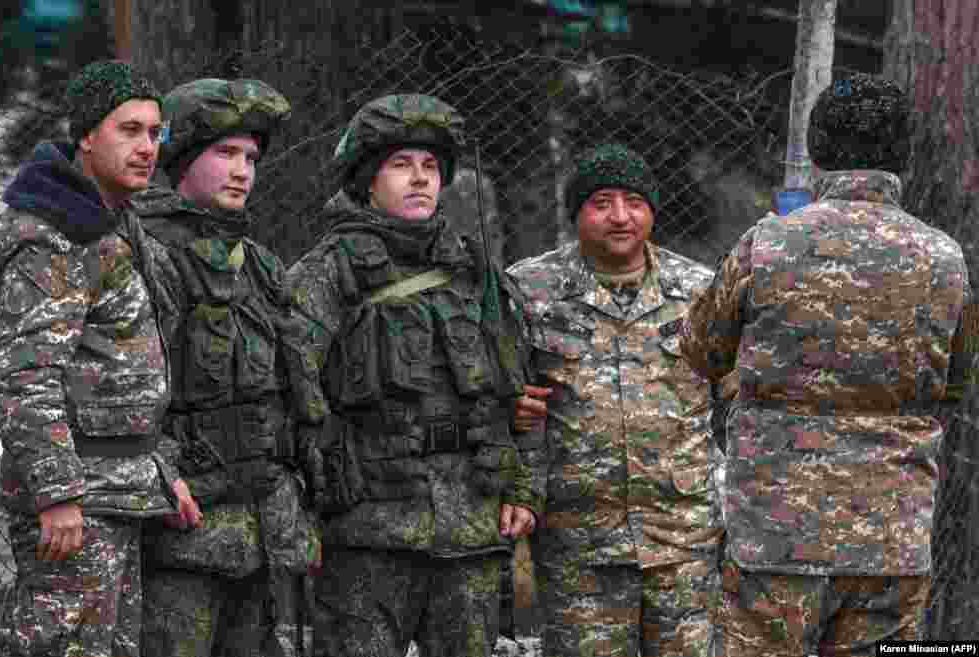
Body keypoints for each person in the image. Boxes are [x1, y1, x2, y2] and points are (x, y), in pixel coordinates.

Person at [680, 73, 979, 656]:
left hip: (774, 537)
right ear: (903, 154)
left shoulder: (767, 243)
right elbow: (957, 380)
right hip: (891, 538)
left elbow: (699, 348)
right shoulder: (947, 259)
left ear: (815, 148)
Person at [286, 93, 546, 657]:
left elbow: (523, 390)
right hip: (368, 536)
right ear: (367, 180)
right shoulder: (327, 273)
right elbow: (288, 394)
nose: (420, 179)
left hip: (471, 531)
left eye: (430, 167)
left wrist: (524, 486)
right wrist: (302, 510)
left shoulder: (475, 272)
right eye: (401, 165)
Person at [0, 59, 202, 657]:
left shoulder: (111, 226)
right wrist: (57, 495)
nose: (148, 147)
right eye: (129, 130)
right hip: (79, 506)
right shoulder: (51, 238)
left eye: (156, 133)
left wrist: (159, 470)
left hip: (116, 492)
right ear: (86, 135)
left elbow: (117, 366)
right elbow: (25, 379)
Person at [508, 142, 724, 657]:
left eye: (634, 202)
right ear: (578, 213)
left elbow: (736, 399)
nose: (620, 217)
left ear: (652, 210)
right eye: (602, 202)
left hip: (684, 538)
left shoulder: (700, 290)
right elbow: (501, 390)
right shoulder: (529, 290)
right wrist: (511, 409)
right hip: (579, 542)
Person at [131, 76, 318, 657]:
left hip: (262, 530)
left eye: (251, 157)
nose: (242, 170)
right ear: (182, 157)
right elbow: (127, 388)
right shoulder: (145, 252)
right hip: (183, 527)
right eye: (224, 153)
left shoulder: (259, 265)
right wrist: (162, 475)